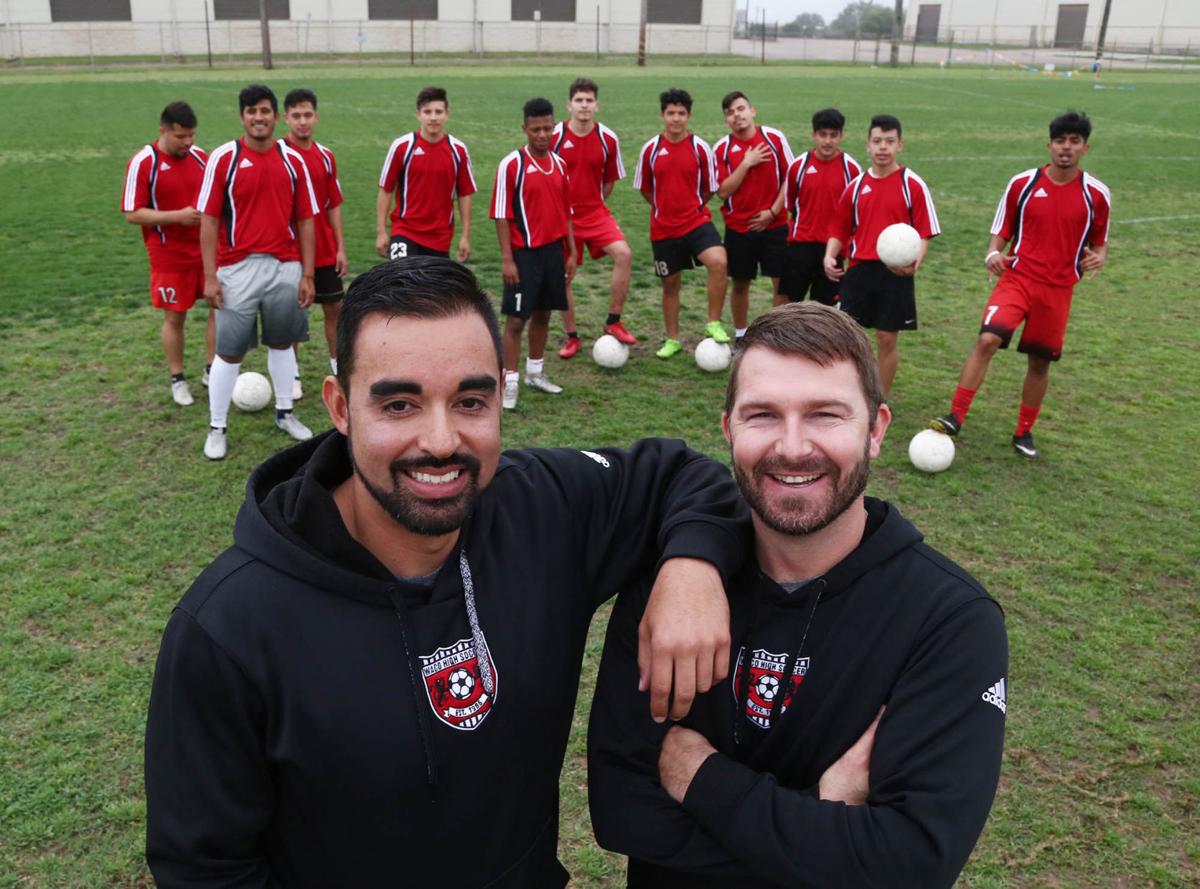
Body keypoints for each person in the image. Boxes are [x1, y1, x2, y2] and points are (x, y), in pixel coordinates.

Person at [144, 256, 747, 889]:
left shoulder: (539, 508)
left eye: (470, 400)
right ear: (341, 407)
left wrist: (692, 569)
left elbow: (680, 476)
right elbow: (204, 868)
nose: (440, 440)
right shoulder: (228, 628)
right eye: (400, 404)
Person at [589, 302, 1008, 889]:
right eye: (763, 415)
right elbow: (623, 813)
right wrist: (819, 807)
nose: (791, 447)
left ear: (876, 429)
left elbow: (910, 864)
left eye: (825, 415)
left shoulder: (951, 621)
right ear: (729, 428)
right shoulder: (676, 585)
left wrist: (701, 779)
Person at [931, 111, 1110, 459]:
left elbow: (1100, 242)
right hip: (1018, 279)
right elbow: (1000, 231)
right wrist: (991, 254)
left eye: (1074, 142)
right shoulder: (1023, 184)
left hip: (1058, 290)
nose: (1066, 148)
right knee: (987, 339)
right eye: (1060, 141)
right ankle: (955, 415)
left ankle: (1024, 432)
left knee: (1039, 363)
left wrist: (1100, 256)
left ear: (1085, 148)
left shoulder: (1096, 194)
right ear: (1050, 145)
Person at [196, 84, 318, 461]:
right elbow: (209, 221)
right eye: (252, 111)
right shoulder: (224, 158)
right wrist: (211, 276)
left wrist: (308, 274)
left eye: (265, 111)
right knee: (229, 353)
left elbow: (306, 221)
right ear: (242, 117)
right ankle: (217, 427)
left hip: (285, 266)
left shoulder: (293, 160)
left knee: (282, 343)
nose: (259, 118)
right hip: (236, 269)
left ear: (275, 116)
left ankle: (285, 413)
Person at [824, 114, 940, 397]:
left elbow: (924, 232)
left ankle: (879, 400)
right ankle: (847, 393)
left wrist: (915, 264)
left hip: (895, 272)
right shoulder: (856, 187)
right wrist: (829, 255)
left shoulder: (912, 184)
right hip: (859, 270)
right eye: (877, 141)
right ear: (868, 146)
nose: (883, 147)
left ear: (900, 145)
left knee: (886, 338)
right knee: (848, 336)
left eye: (889, 142)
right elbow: (839, 228)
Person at [121, 100, 216, 406]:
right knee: (175, 316)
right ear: (163, 130)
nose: (188, 143)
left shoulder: (201, 158)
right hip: (168, 254)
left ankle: (212, 370)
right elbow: (132, 213)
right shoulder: (144, 161)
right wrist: (177, 216)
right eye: (181, 137)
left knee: (218, 307)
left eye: (192, 136)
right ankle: (178, 378)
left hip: (206, 250)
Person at [491, 97, 575, 410]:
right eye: (536, 129)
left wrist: (572, 251)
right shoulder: (511, 164)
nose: (542, 134)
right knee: (516, 320)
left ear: (554, 127)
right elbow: (502, 214)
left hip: (554, 252)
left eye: (547, 128)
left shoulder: (561, 165)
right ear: (524, 128)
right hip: (523, 255)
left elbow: (566, 212)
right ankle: (508, 381)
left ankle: (535, 373)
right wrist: (507, 258)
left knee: (543, 314)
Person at [634, 88, 730, 359]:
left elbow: (710, 187)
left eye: (681, 114)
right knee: (670, 285)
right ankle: (672, 339)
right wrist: (663, 207)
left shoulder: (701, 148)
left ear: (689, 116)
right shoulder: (650, 150)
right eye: (671, 113)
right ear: (662, 115)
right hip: (663, 229)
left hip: (695, 222)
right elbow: (645, 189)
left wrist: (693, 205)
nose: (676, 119)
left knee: (719, 262)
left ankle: (713, 322)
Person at [551, 77, 638, 358]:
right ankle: (572, 336)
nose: (584, 105)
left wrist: (594, 202)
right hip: (564, 218)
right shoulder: (554, 136)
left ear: (597, 105)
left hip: (596, 212)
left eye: (589, 100)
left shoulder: (607, 138)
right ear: (569, 105)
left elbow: (610, 180)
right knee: (565, 275)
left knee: (623, 254)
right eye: (579, 100)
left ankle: (614, 320)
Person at [711, 91, 794, 344]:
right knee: (740, 283)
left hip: (776, 225)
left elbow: (791, 178)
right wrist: (746, 163)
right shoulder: (722, 148)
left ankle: (777, 337)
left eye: (740, 109)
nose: (736, 115)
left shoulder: (774, 138)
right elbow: (722, 191)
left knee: (781, 284)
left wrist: (772, 212)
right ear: (727, 120)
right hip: (740, 228)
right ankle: (741, 335)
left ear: (752, 111)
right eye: (730, 113)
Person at [283, 88, 347, 397]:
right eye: (296, 116)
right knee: (295, 312)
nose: (303, 122)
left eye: (308, 115)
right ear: (286, 118)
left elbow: (334, 203)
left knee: (334, 307)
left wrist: (340, 246)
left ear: (316, 117)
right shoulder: (280, 155)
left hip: (324, 249)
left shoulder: (325, 156)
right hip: (291, 251)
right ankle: (291, 372)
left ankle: (339, 366)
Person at [773, 107, 862, 308]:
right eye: (822, 135)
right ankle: (780, 339)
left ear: (841, 136)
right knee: (787, 303)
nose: (828, 141)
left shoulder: (852, 169)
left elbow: (854, 213)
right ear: (814, 135)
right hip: (800, 245)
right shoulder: (799, 166)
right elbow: (792, 204)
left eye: (833, 135)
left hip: (833, 250)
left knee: (825, 310)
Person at [376, 85, 476, 263]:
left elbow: (465, 194)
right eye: (427, 112)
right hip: (404, 231)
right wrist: (381, 231)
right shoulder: (402, 147)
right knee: (401, 284)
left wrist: (465, 236)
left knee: (431, 290)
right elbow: (386, 190)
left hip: (440, 238)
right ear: (418, 114)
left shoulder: (458, 150)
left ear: (447, 114)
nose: (433, 117)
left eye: (438, 112)